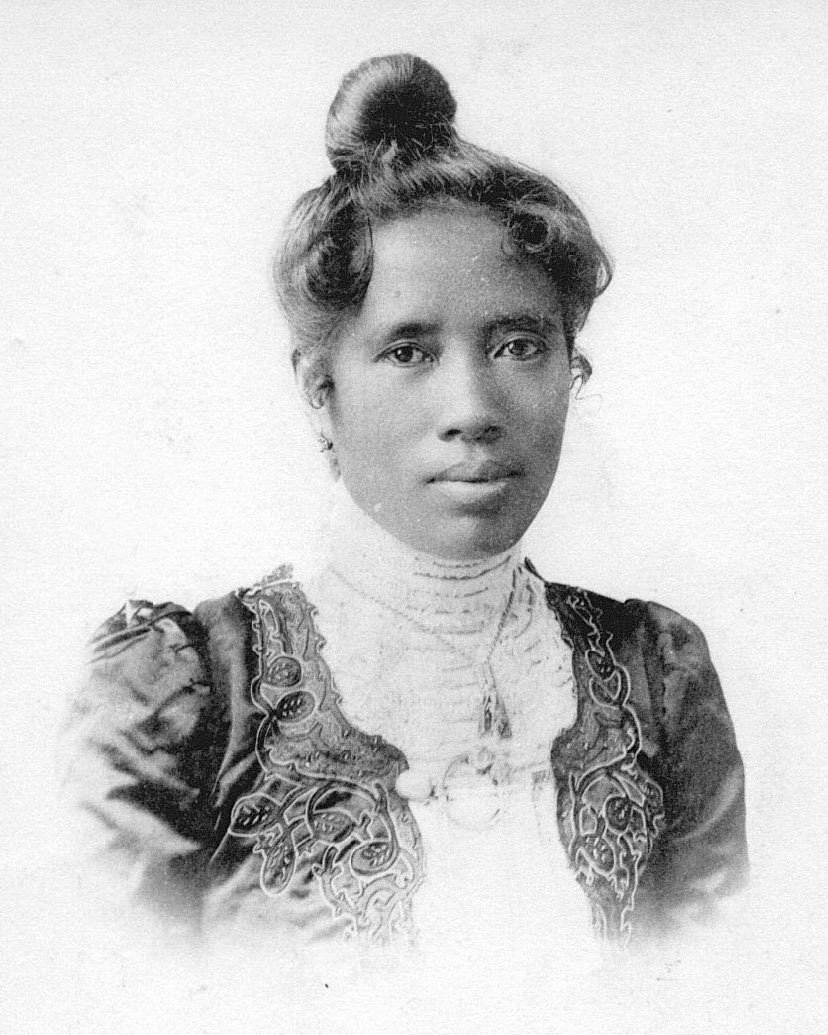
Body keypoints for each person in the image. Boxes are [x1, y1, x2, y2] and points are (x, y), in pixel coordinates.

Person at [63, 53, 747, 962]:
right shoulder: (182, 696)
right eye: (409, 352)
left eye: (518, 345)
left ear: (570, 369)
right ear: (320, 392)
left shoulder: (657, 676)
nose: (473, 410)